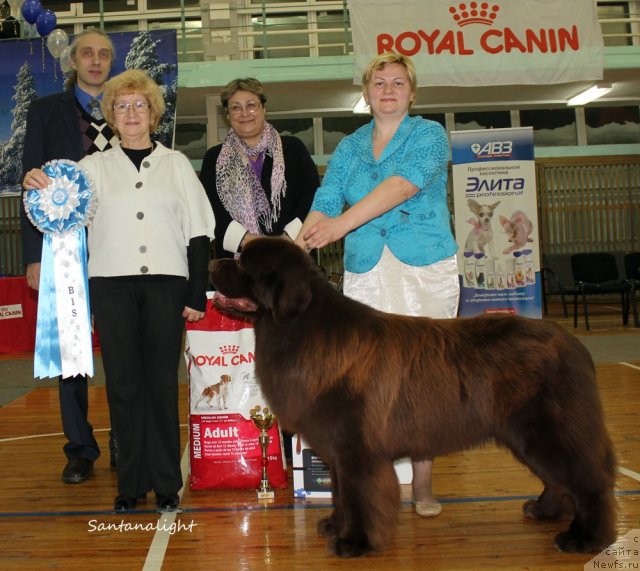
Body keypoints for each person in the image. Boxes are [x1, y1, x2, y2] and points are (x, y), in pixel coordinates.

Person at [23, 69, 216, 511]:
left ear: (153, 113)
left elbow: (199, 232)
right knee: (124, 388)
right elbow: (58, 199)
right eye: (122, 106)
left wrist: (195, 293)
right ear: (111, 115)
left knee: (162, 386)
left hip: (169, 285)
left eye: (140, 105)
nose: (132, 113)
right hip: (110, 287)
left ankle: (167, 483)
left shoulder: (177, 164)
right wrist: (38, 180)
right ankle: (130, 484)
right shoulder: (90, 168)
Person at [295, 52, 460, 518]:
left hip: (424, 268)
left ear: (412, 92)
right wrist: (300, 243)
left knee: (425, 378)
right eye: (379, 83)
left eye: (398, 83)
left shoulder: (429, 135)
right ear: (366, 94)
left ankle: (424, 482)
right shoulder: (349, 146)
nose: (388, 90)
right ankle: (377, 481)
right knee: (368, 381)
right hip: (366, 270)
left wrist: (339, 225)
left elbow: (402, 186)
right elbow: (327, 197)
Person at [20, 28, 119, 484]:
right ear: (73, 61)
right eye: (87, 54)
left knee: (123, 347)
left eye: (103, 54)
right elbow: (31, 185)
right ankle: (80, 447)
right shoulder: (45, 113)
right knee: (72, 352)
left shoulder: (128, 108)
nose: (96, 61)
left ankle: (125, 438)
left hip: (121, 244)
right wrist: (33, 255)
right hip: (63, 247)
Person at [199, 77, 319, 259]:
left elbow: (311, 195)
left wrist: (287, 241)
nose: (244, 113)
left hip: (293, 257)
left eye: (251, 105)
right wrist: (248, 242)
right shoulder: (213, 158)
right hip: (238, 263)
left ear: (264, 108)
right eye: (236, 107)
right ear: (227, 114)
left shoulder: (293, 149)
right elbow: (209, 208)